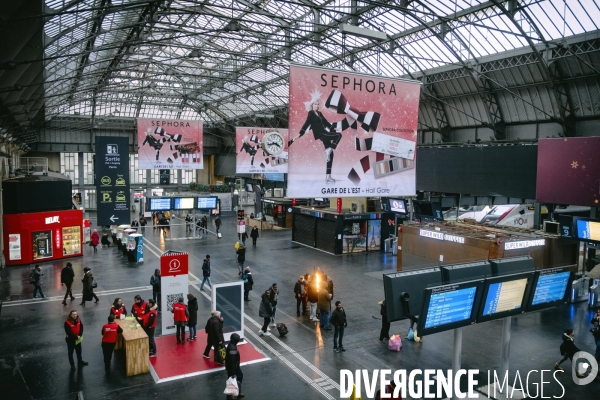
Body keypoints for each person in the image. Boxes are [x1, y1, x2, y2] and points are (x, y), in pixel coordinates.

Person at [288, 92, 343, 184]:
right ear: (312, 105)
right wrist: (300, 134)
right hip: (321, 135)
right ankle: (329, 150)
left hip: (325, 133)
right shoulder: (311, 114)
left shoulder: (320, 113)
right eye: (315, 104)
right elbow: (306, 125)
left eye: (318, 104)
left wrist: (334, 128)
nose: (317, 105)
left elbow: (326, 123)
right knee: (338, 135)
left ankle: (328, 176)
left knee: (331, 155)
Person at [225, 333, 245, 399]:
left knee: (234, 379)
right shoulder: (233, 348)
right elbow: (232, 362)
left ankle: (234, 393)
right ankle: (231, 395)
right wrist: (233, 372)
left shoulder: (231, 345)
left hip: (233, 367)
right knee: (233, 379)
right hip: (233, 368)